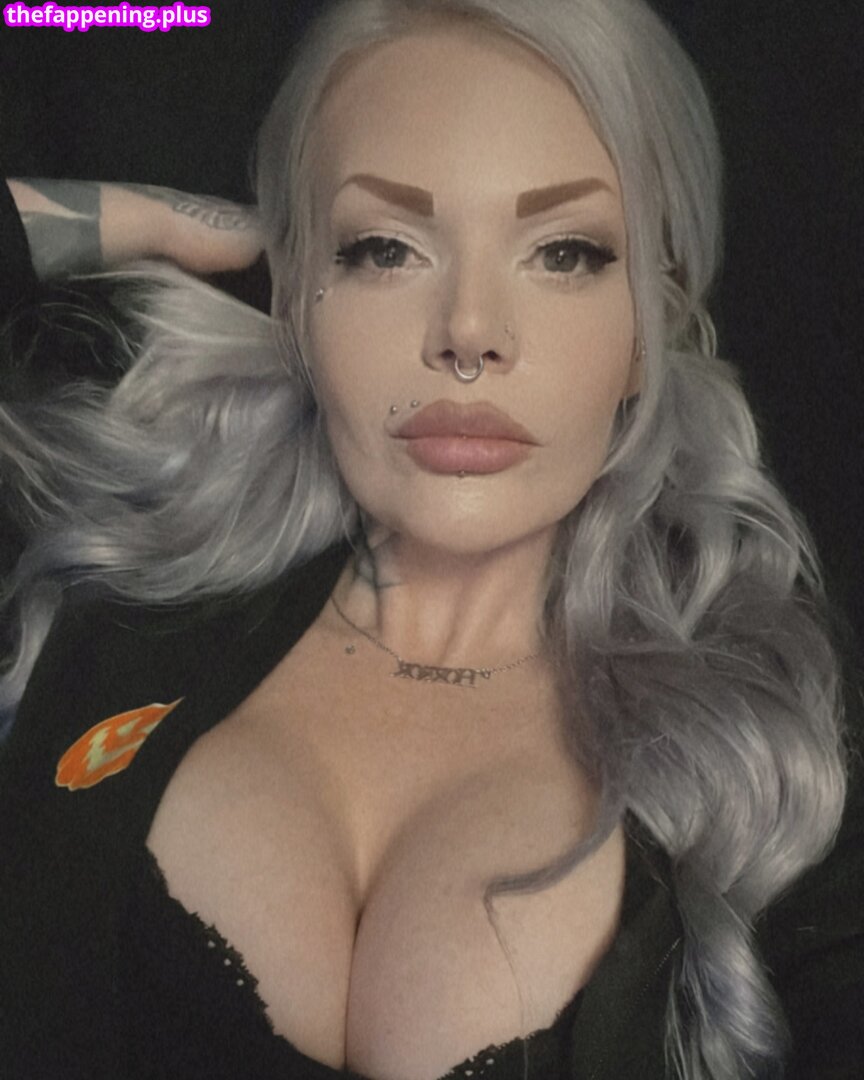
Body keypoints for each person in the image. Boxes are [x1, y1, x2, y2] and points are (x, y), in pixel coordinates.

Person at [0, 1, 861, 1078]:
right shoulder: (107, 594)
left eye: (564, 252)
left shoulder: (769, 770)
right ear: (298, 299)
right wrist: (176, 226)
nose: (468, 332)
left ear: (651, 324)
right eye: (383, 249)